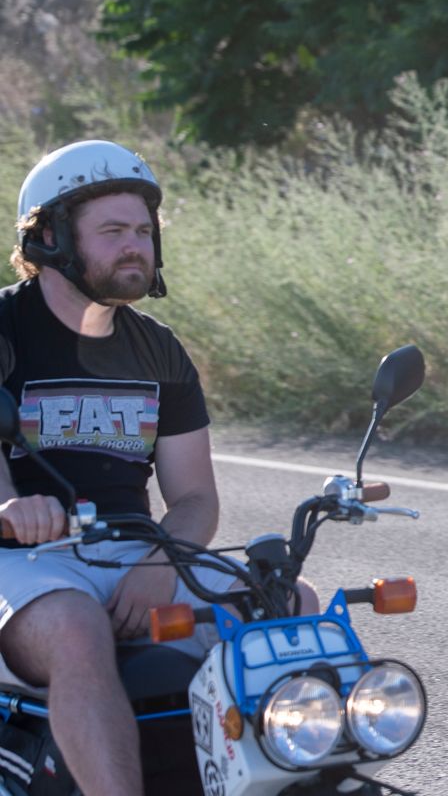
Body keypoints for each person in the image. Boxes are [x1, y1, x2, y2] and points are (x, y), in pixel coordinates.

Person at [0, 140, 310, 796]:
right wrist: (10, 506)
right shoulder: (3, 326)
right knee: (77, 630)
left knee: (289, 607)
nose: (134, 246)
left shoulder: (158, 350)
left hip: (137, 555)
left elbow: (195, 497)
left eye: (143, 231)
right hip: (21, 564)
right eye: (112, 231)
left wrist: (159, 562)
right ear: (50, 237)